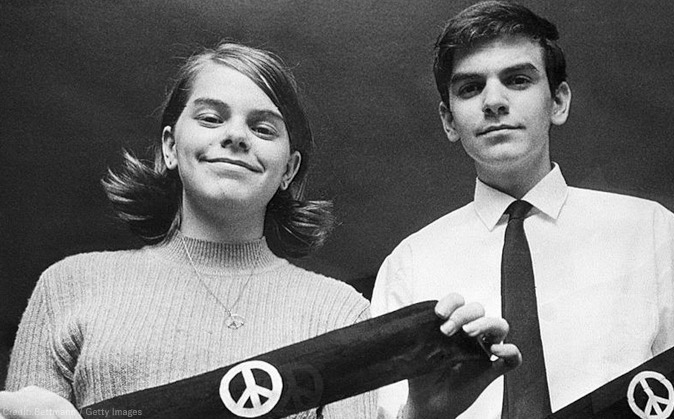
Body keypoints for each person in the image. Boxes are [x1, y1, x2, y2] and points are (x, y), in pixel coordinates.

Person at [1, 42, 520, 419]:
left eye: (263, 127)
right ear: (167, 147)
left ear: (288, 168)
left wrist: (422, 416)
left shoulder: (337, 310)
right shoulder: (70, 286)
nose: (234, 136)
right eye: (210, 118)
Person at [371, 1, 674, 418]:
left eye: (518, 80)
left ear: (558, 102)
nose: (494, 101)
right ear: (449, 120)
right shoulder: (409, 265)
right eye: (470, 87)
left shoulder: (647, 230)